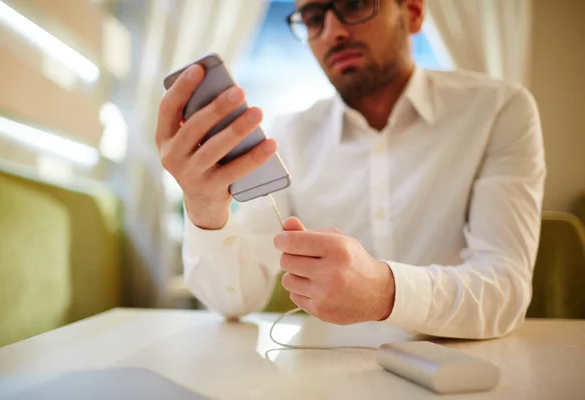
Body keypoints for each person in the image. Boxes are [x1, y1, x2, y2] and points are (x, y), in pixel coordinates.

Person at [155, 0, 545, 340]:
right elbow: (235, 300)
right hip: (323, 381)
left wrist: (385, 292)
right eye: (312, 18)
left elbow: (504, 290)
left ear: (412, 10)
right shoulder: (288, 138)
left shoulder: (498, 111)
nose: (333, 32)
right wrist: (205, 209)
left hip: (461, 380)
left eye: (356, 4)